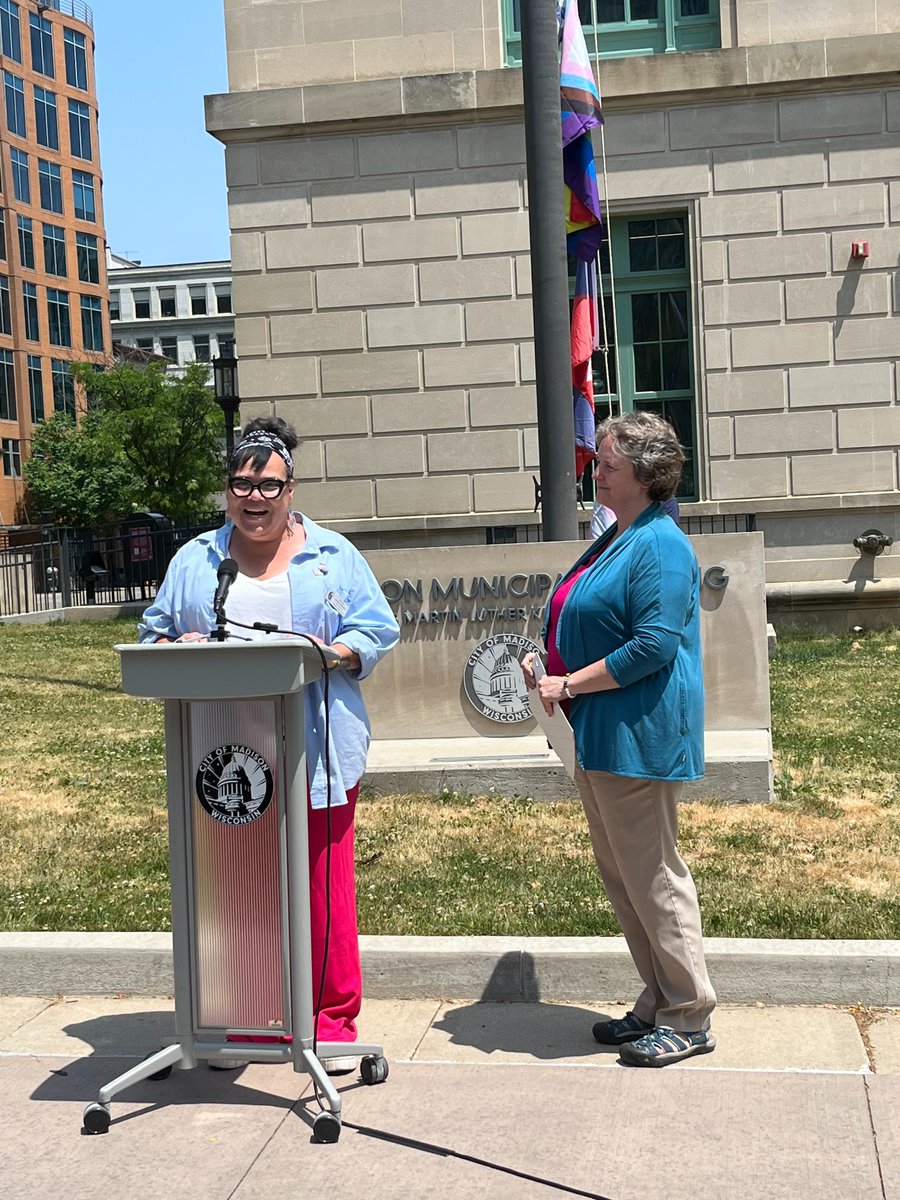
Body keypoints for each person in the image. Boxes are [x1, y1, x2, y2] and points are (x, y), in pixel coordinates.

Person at [139, 415, 399, 1073]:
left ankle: (331, 1024)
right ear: (227, 489)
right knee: (240, 890)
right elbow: (154, 633)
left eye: (268, 485)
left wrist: (333, 652)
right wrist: (177, 645)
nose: (254, 498)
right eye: (241, 484)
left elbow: (376, 628)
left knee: (323, 889)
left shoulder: (333, 555)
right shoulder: (197, 559)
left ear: (291, 489)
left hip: (316, 746)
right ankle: (247, 1020)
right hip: (225, 751)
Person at [524, 410, 715, 1067]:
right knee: (624, 879)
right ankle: (658, 1001)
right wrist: (549, 670)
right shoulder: (621, 535)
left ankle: (689, 1014)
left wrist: (569, 684)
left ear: (643, 471)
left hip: (638, 732)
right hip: (600, 731)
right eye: (598, 460)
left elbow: (655, 645)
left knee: (653, 876)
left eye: (607, 462)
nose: (595, 469)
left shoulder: (660, 543)